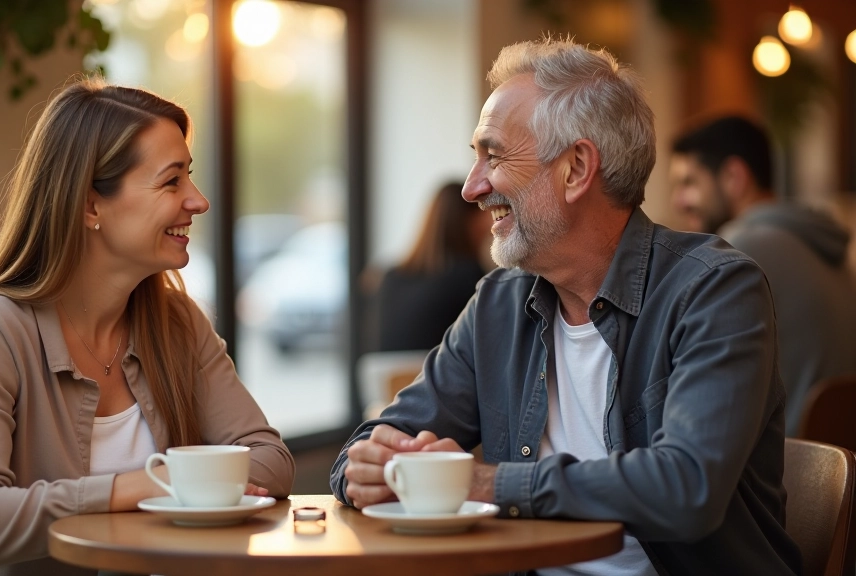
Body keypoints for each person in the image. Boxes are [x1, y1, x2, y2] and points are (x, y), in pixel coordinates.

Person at [331, 38, 801, 575]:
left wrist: (483, 481)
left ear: (576, 168)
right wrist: (364, 467)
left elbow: (687, 486)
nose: (472, 187)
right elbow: (370, 442)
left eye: (494, 154)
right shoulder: (498, 304)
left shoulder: (715, 290)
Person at [0, 79, 295, 575]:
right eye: (172, 181)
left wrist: (172, 482)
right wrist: (149, 486)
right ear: (90, 206)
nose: (198, 201)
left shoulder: (178, 323)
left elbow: (270, 460)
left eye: (189, 177)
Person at [670, 115, 856, 435]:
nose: (678, 201)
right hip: (834, 462)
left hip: (786, 468)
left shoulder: (738, 252)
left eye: (689, 183)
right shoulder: (818, 240)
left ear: (734, 176)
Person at [373, 181, 493, 352]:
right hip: (437, 375)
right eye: (483, 212)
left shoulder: (390, 276)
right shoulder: (467, 276)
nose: (490, 223)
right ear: (467, 219)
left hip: (392, 378)